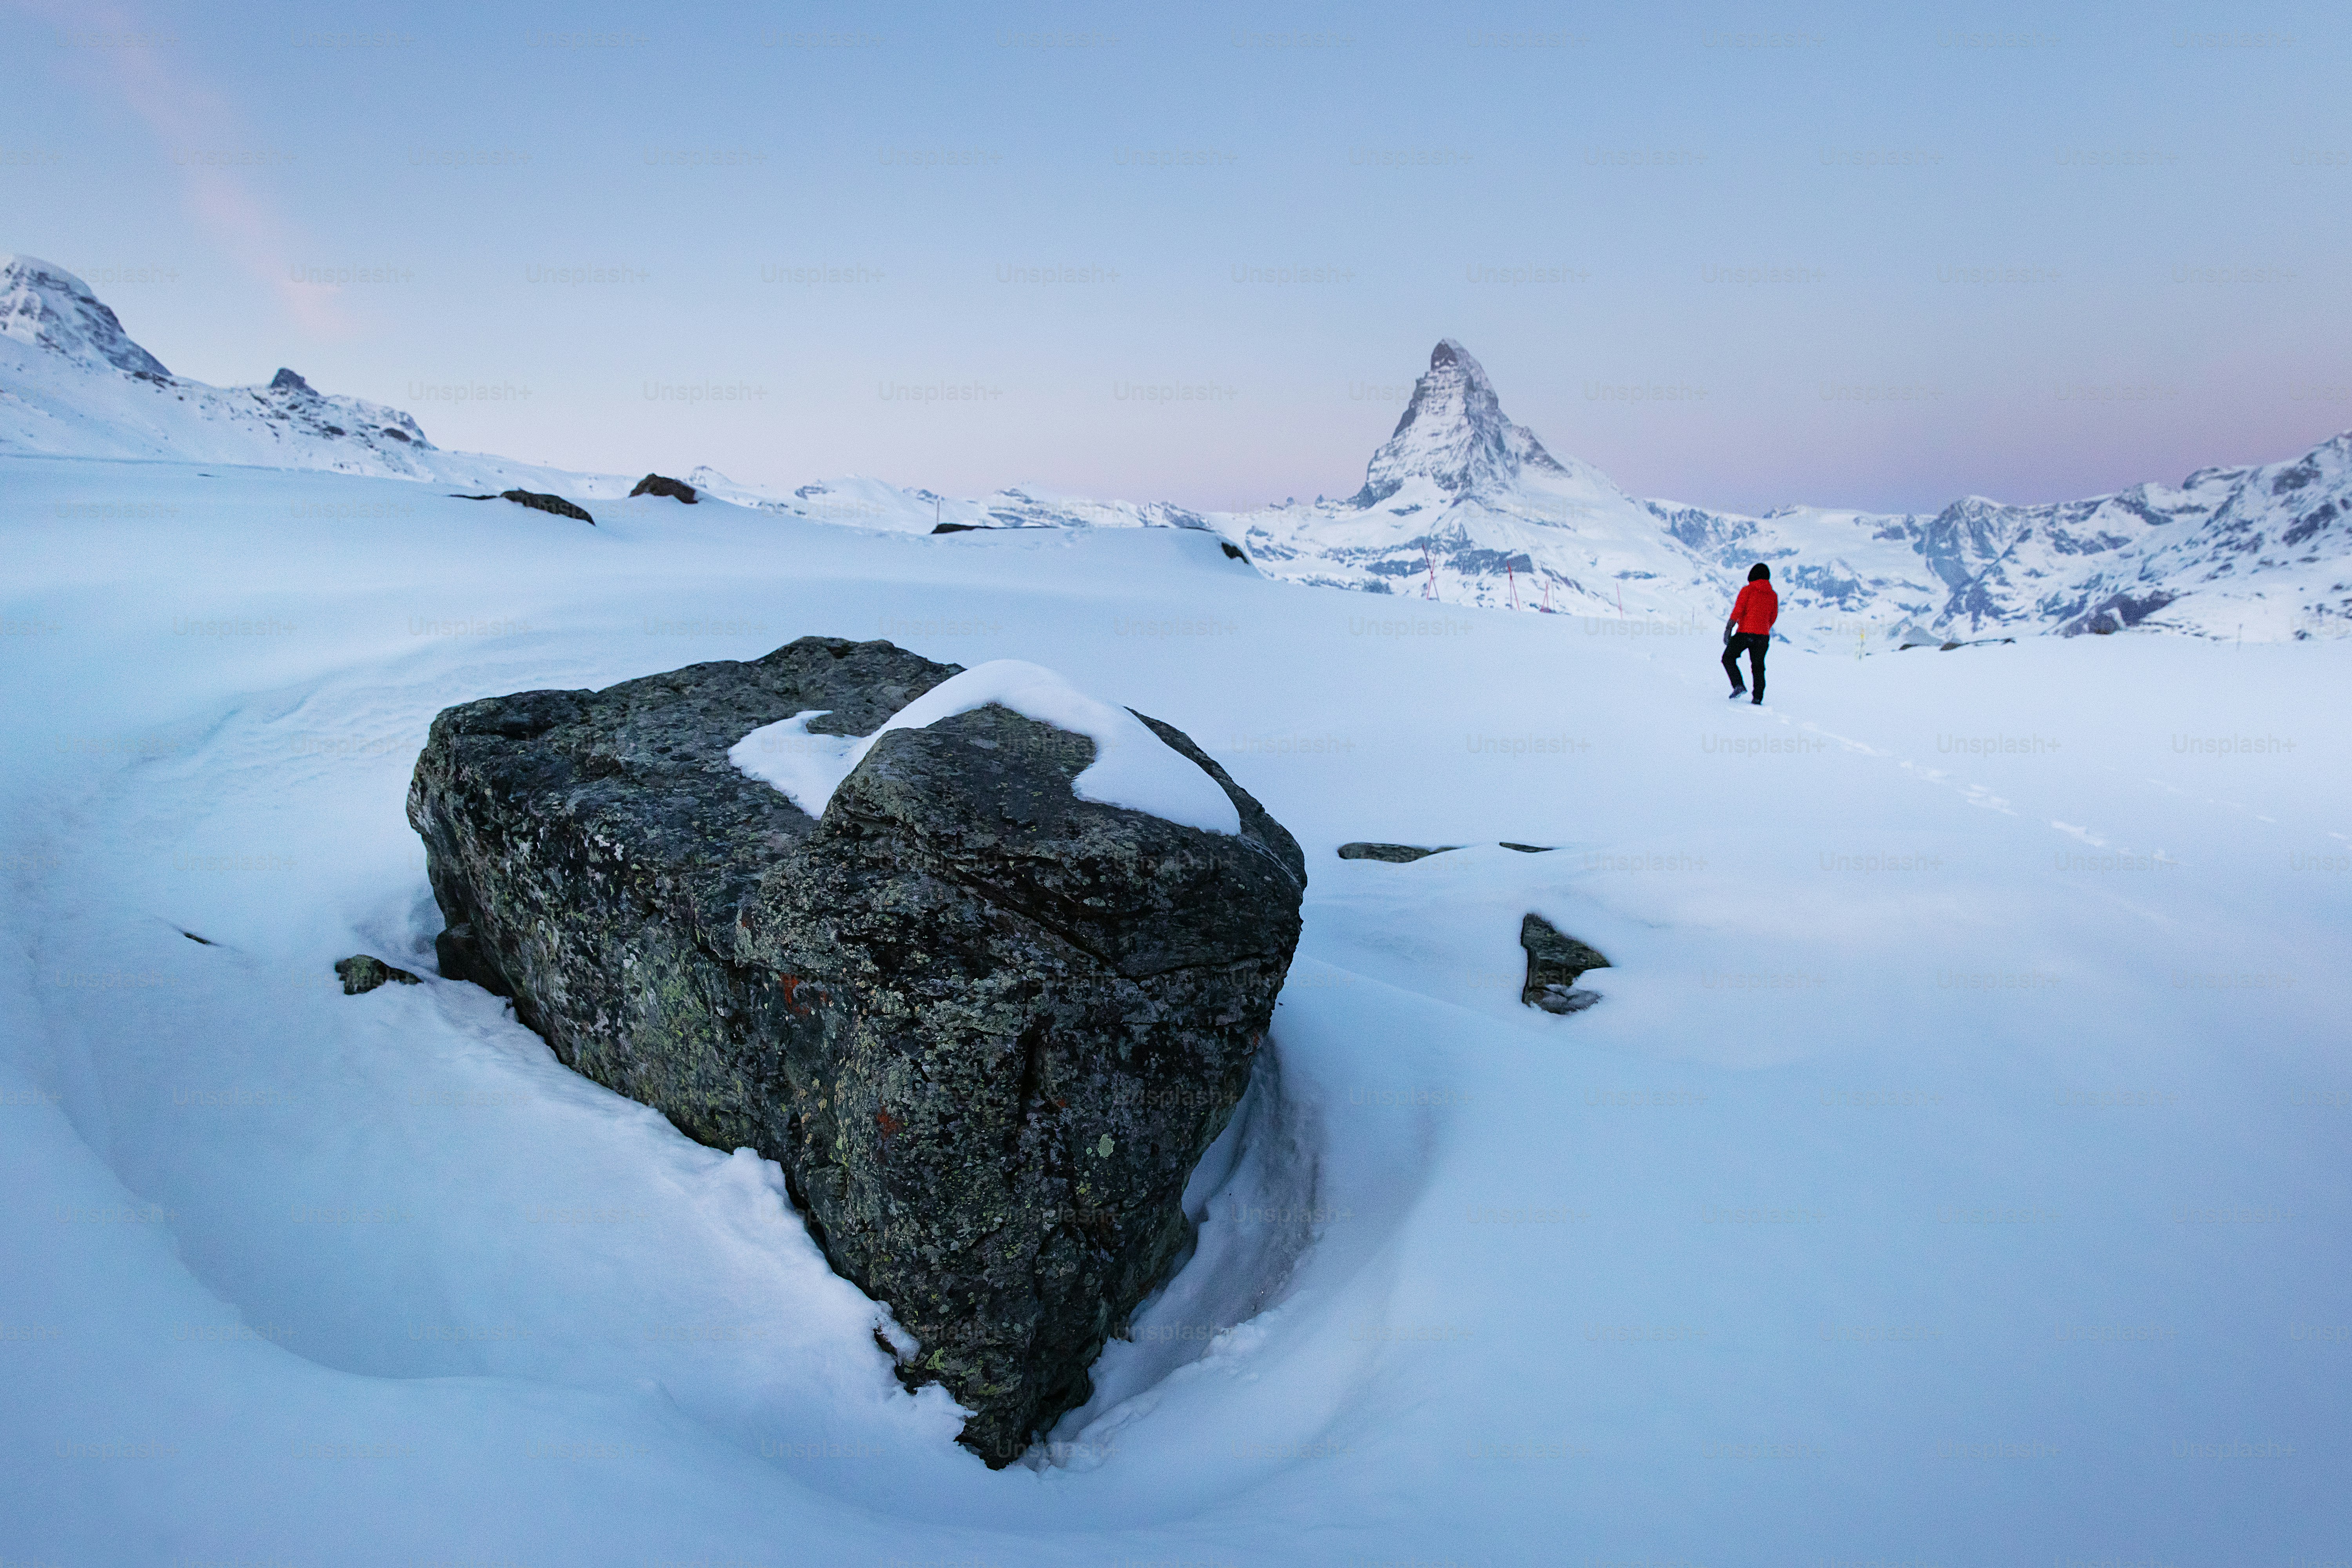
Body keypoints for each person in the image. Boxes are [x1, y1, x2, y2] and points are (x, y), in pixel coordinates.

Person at [1722, 563, 1777, 704]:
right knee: (1758, 667)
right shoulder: (1773, 595)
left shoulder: (1748, 590)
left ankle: (1738, 685)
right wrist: (1763, 628)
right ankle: (1758, 698)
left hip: (1745, 633)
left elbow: (1738, 610)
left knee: (1728, 658)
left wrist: (1729, 628)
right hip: (1763, 637)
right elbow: (1773, 617)